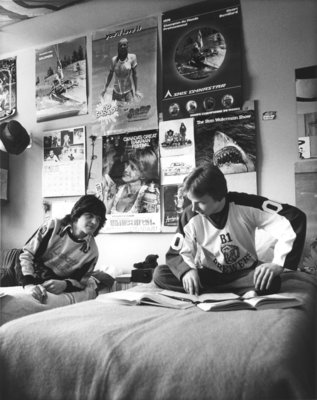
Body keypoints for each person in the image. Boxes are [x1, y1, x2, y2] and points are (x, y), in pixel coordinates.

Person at [153, 164, 307, 296]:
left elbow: (293, 218)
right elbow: (177, 252)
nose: (194, 208)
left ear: (219, 196)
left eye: (200, 202)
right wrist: (187, 271)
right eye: (192, 202)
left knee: (271, 280)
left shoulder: (246, 204)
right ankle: (237, 292)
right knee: (160, 274)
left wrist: (277, 264)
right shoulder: (190, 215)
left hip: (245, 274)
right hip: (208, 275)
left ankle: (210, 291)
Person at [0, 195, 106, 302]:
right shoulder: (53, 226)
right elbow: (26, 254)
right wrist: (28, 284)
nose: (94, 222)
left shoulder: (92, 252)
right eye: (89, 216)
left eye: (98, 219)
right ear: (78, 213)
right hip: (15, 266)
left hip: (44, 279)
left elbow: (81, 282)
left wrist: (65, 284)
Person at [109, 148, 158, 214]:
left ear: (143, 174)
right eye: (127, 164)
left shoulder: (150, 194)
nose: (126, 169)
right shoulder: (118, 189)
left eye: (133, 168)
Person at [101, 38, 141, 103]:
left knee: (129, 111)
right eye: (120, 45)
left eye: (124, 45)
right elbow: (110, 75)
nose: (123, 47)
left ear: (127, 46)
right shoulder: (114, 60)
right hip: (116, 92)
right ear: (118, 47)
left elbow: (135, 75)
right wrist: (105, 88)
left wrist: (136, 90)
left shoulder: (132, 57)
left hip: (128, 92)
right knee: (115, 112)